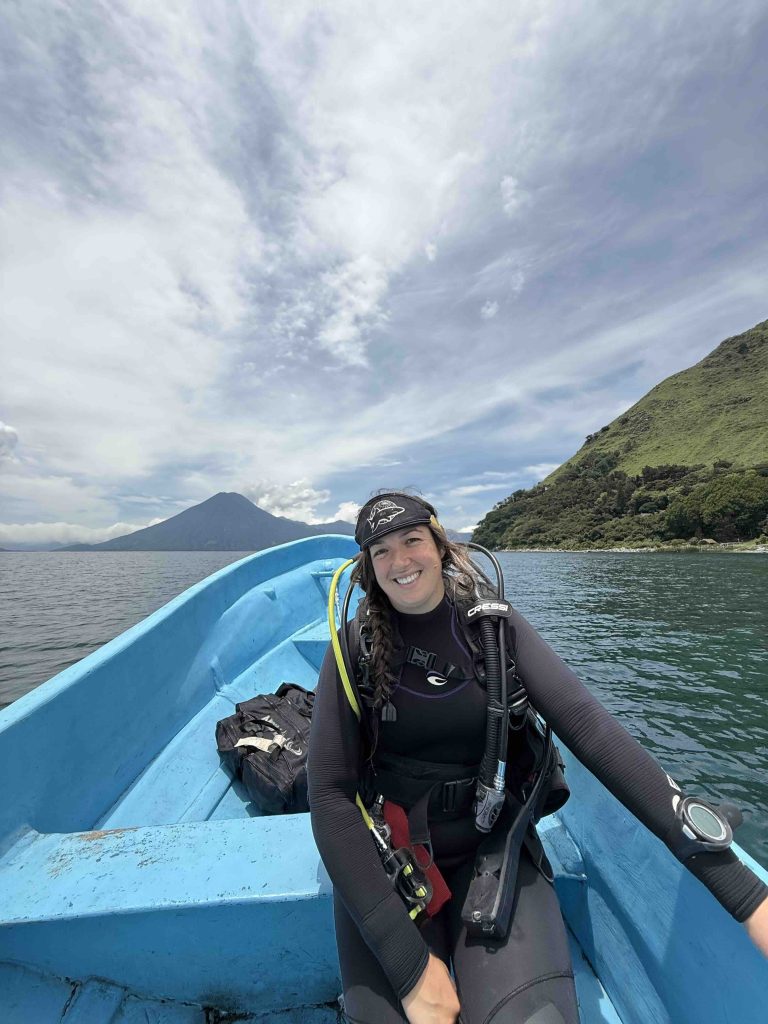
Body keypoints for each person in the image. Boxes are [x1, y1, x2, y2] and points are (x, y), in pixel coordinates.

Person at [308, 491, 768, 1024]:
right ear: (367, 567)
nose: (400, 562)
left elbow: (593, 731)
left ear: (439, 544)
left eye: (411, 541)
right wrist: (411, 969)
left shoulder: (494, 631)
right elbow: (330, 796)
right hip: (394, 855)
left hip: (493, 848)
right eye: (381, 551)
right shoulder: (352, 648)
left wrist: (745, 893)